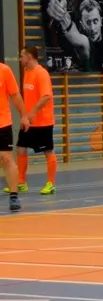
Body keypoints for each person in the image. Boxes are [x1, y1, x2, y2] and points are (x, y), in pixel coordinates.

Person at [17, 47, 58, 195]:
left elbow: (46, 97)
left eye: (21, 56)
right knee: (21, 148)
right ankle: (21, 182)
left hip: (43, 121)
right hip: (29, 121)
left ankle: (51, 184)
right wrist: (25, 116)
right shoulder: (27, 72)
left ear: (29, 57)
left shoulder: (42, 74)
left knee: (48, 151)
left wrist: (32, 113)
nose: (20, 59)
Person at [0, 60, 28, 211]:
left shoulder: (4, 70)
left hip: (3, 123)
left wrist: (23, 115)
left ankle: (13, 195)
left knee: (7, 158)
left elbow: (15, 95)